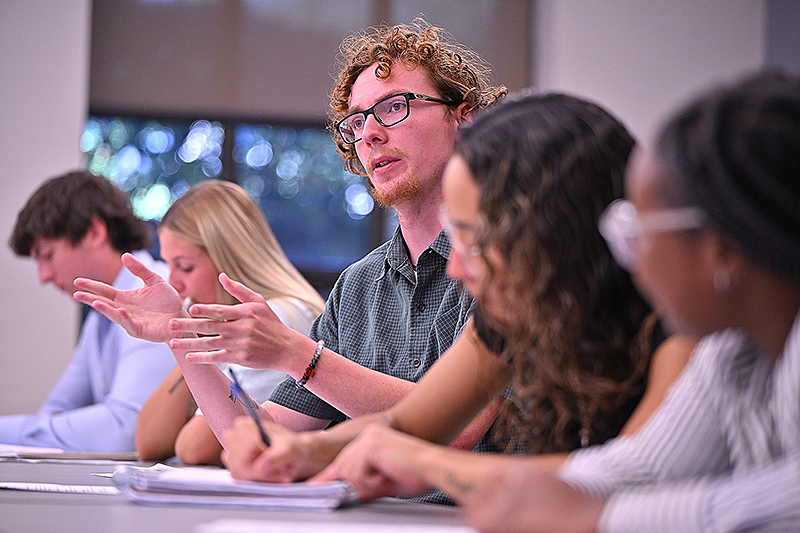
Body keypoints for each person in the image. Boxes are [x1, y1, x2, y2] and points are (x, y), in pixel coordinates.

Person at [73, 18, 507, 501]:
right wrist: (179, 331)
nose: (370, 135)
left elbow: (459, 427)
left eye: (394, 107)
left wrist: (296, 353)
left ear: (463, 118)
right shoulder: (358, 286)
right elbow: (256, 435)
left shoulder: (506, 262)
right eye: (357, 121)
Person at [217, 91, 695, 493]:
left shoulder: (676, 328)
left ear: (554, 232)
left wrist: (419, 464)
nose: (456, 266)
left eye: (477, 240)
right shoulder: (508, 314)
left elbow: (615, 484)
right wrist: (308, 450)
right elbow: (408, 425)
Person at [452, 70, 800, 532]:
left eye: (638, 232)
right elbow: (648, 466)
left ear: (724, 252)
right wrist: (534, 494)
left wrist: (597, 517)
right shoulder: (730, 350)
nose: (630, 261)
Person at [135, 180, 324, 465]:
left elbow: (195, 448)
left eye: (185, 266)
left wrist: (192, 343)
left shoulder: (279, 316)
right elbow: (150, 442)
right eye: (168, 265)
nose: (174, 283)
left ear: (231, 259)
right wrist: (187, 335)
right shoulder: (220, 322)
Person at [0, 170, 174, 451]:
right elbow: (54, 413)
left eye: (47, 255)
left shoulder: (155, 296)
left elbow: (124, 430)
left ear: (94, 232)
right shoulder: (99, 319)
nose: (43, 276)